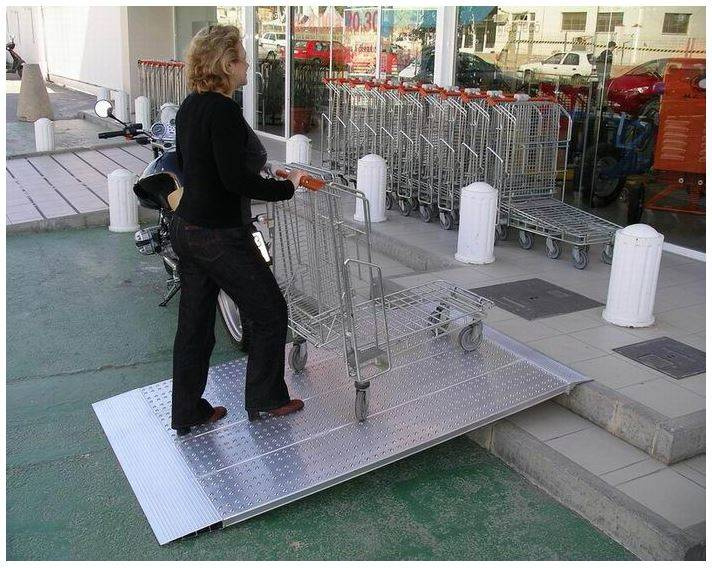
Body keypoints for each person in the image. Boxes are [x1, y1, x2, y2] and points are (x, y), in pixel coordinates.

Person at [169, 24, 308, 436]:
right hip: (219, 235)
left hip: (187, 228)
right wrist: (287, 187)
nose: (249, 66)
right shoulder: (225, 111)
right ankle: (267, 398)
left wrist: (261, 171)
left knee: (194, 327)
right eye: (244, 59)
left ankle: (187, 411)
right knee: (269, 311)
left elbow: (200, 167)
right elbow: (234, 181)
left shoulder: (190, 106)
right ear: (227, 65)